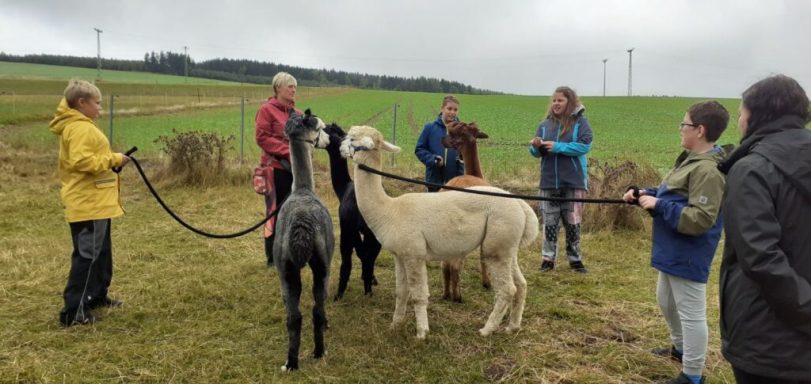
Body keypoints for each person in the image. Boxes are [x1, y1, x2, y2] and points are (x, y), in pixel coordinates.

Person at [623, 100, 730, 384]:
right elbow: (674, 193)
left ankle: (692, 374)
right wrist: (645, 194)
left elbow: (701, 219)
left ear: (700, 130)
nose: (680, 130)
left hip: (688, 252)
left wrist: (657, 205)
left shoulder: (708, 170)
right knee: (666, 302)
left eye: (684, 124)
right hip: (671, 249)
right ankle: (679, 349)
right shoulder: (690, 160)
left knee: (691, 313)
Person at [717, 75, 811, 384]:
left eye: (741, 112)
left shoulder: (752, 169)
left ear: (756, 115)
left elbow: (761, 259)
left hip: (768, 342)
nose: (739, 121)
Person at [49, 79, 130, 326]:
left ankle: (95, 296)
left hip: (97, 201)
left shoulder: (82, 125)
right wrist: (114, 158)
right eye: (97, 103)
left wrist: (110, 161)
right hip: (88, 203)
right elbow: (82, 162)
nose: (100, 109)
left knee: (101, 253)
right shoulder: (80, 128)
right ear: (81, 103)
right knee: (87, 255)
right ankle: (74, 311)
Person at [529, 86, 592, 273]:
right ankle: (548, 259)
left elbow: (584, 146)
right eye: (554, 100)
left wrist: (558, 147)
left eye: (560, 100)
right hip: (548, 182)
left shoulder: (581, 123)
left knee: (573, 222)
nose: (556, 103)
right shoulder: (544, 125)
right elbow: (535, 153)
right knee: (549, 222)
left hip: (573, 181)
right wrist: (536, 147)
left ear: (569, 102)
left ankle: (575, 259)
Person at [256, 72, 300, 266]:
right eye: (290, 86)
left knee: (294, 211)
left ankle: (291, 252)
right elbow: (262, 137)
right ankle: (272, 257)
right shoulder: (267, 110)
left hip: (296, 171)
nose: (293, 90)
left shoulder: (297, 115)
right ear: (278, 88)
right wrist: (287, 151)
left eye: (294, 87)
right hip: (275, 169)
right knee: (274, 211)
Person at [415, 95, 464, 192]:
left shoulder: (462, 131)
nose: (452, 112)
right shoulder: (430, 128)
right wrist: (433, 159)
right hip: (434, 183)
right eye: (449, 109)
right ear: (442, 108)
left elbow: (465, 156)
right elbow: (419, 149)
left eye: (455, 110)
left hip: (455, 185)